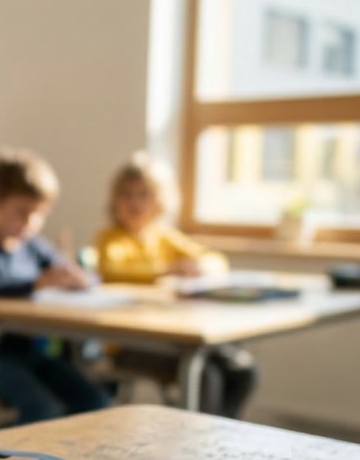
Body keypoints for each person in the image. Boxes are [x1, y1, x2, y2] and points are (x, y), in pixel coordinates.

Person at [94, 153, 256, 418]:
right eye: (126, 195)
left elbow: (215, 260)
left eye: (143, 195)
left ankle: (221, 430)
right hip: (130, 343)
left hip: (172, 336)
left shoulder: (164, 237)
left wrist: (201, 267)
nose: (134, 202)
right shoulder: (110, 239)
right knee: (206, 374)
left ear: (159, 201)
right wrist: (165, 270)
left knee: (241, 369)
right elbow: (111, 271)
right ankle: (199, 436)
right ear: (114, 200)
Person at [0, 150, 109, 425]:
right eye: (22, 212)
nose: (30, 222)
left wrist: (80, 278)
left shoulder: (34, 246)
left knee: (95, 401)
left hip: (31, 354)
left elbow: (83, 275)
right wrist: (35, 283)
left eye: (39, 214)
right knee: (43, 408)